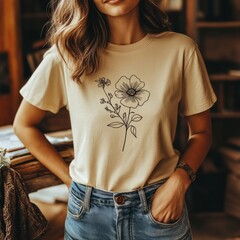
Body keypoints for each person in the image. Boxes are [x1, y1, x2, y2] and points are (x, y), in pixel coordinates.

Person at [13, 0, 217, 239]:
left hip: (159, 210)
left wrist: (180, 181)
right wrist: (70, 181)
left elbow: (202, 133)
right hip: (87, 216)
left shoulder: (180, 50)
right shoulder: (66, 55)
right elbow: (24, 124)